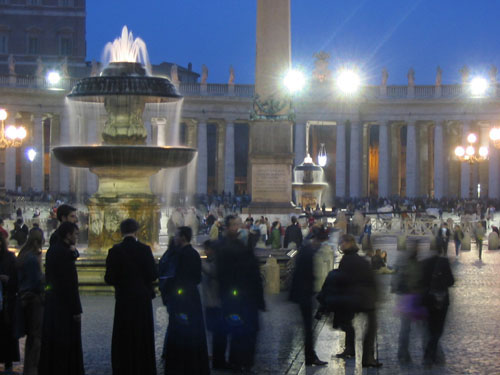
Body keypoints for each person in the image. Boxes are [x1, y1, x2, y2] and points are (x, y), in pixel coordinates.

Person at [105, 219, 158, 375]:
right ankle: (143, 366)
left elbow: (109, 278)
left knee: (124, 334)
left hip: (123, 299)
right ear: (136, 231)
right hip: (142, 299)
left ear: (121, 232)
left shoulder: (115, 251)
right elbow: (153, 275)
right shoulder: (145, 250)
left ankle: (124, 366)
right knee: (142, 334)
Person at [215, 215, 265, 373]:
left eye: (239, 224)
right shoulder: (229, 248)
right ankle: (240, 363)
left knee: (239, 332)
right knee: (243, 332)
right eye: (236, 225)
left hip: (240, 297)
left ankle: (237, 362)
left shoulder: (236, 246)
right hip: (240, 298)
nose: (240, 227)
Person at [161, 226, 210, 375]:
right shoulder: (194, 254)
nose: (174, 238)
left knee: (179, 329)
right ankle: (194, 363)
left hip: (179, 297)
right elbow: (197, 278)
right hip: (192, 296)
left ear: (182, 237)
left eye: (176, 235)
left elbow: (170, 276)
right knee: (194, 330)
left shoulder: (178, 254)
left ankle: (178, 364)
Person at [38, 222, 84, 375]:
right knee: (66, 344)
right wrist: (77, 309)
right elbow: (71, 285)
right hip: (65, 306)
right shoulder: (65, 254)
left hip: (54, 301)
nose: (77, 237)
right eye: (75, 234)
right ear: (68, 235)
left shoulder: (54, 250)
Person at [335, 234, 382, 368]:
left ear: (349, 243)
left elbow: (342, 280)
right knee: (370, 326)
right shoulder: (358, 260)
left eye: (342, 242)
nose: (341, 244)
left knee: (356, 324)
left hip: (358, 297)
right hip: (364, 297)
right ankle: (366, 357)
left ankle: (356, 351)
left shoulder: (347, 260)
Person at [289, 225, 328, 367]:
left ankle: (310, 355)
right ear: (316, 239)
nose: (321, 245)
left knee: (308, 328)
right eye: (321, 241)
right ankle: (310, 356)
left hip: (303, 294)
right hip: (304, 294)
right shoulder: (307, 252)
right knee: (308, 328)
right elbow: (303, 275)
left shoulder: (305, 250)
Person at [391, 243, 426, 364]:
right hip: (409, 298)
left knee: (411, 328)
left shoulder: (412, 262)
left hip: (411, 298)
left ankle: (404, 354)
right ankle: (403, 354)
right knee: (409, 328)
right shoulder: (411, 263)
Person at [16, 228, 45, 375]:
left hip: (23, 298)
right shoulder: (33, 259)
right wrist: (49, 285)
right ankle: (32, 369)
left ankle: (29, 368)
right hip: (34, 300)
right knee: (36, 338)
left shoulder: (22, 254)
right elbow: (37, 282)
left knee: (30, 339)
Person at [421, 247, 454, 366]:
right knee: (438, 330)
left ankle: (429, 355)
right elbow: (451, 281)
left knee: (430, 328)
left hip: (429, 300)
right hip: (442, 300)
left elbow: (421, 282)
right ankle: (429, 356)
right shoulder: (444, 262)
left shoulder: (424, 262)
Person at [201, 240, 229, 370]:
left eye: (207, 249)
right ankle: (218, 360)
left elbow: (212, 272)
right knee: (218, 334)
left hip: (216, 303)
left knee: (219, 334)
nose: (205, 252)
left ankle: (219, 361)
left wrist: (199, 262)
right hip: (213, 302)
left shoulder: (215, 262)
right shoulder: (214, 260)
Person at [0, 235, 20, 372]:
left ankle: (8, 362)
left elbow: (16, 278)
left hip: (7, 300)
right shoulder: (9, 257)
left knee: (7, 333)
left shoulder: (10, 257)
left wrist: (8, 279)